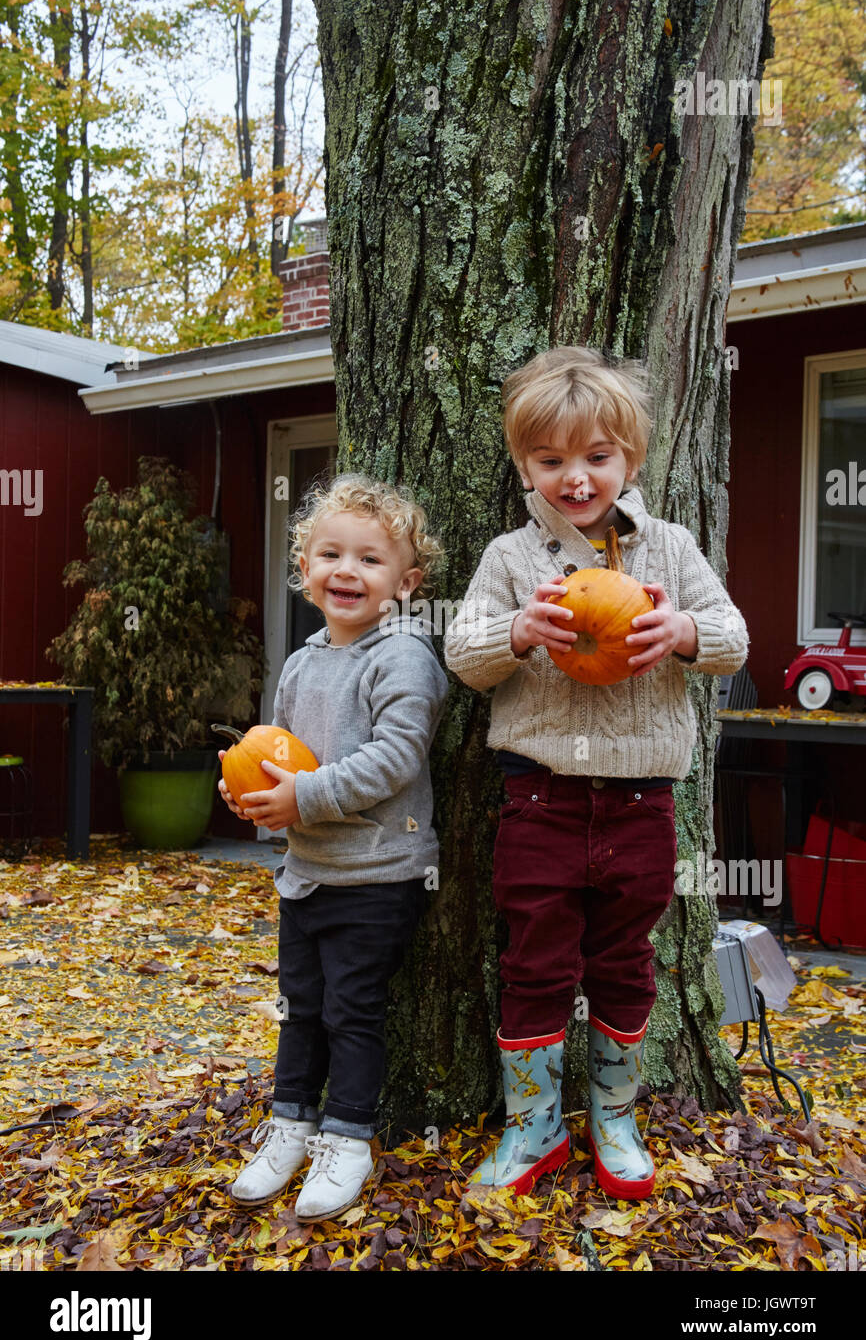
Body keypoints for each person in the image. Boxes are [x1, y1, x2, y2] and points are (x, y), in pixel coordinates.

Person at [444, 347, 749, 1201]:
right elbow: (460, 654)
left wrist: (683, 633)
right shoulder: (513, 559)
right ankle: (534, 1129)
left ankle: (615, 1120)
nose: (575, 478)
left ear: (631, 459)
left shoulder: (671, 549)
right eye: (551, 462)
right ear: (525, 467)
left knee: (625, 961)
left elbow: (734, 639)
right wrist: (515, 633)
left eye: (595, 458)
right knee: (534, 964)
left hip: (642, 802)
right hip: (538, 799)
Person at [221, 473, 449, 1221]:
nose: (346, 571)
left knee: (354, 1010)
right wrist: (253, 796)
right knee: (300, 1007)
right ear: (305, 569)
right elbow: (277, 753)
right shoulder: (301, 661)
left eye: (370, 560)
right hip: (307, 872)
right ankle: (290, 1125)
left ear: (407, 582)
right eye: (329, 554)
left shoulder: (405, 656)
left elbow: (395, 758)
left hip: (379, 874)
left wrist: (302, 798)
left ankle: (347, 1137)